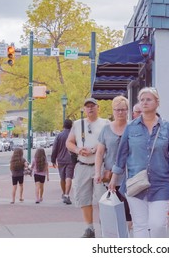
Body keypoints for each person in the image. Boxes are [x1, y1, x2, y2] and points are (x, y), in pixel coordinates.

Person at [109, 87, 169, 238]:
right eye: (142, 100)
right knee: (140, 225)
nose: (144, 102)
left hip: (160, 183)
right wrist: (114, 179)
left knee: (158, 224)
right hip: (135, 183)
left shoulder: (167, 127)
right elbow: (121, 155)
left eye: (148, 99)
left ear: (157, 102)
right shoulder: (131, 127)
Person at [66, 97, 110, 238]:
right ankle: (89, 228)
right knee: (83, 197)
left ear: (98, 108)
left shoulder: (105, 123)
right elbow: (69, 142)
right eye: (87, 106)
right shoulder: (78, 124)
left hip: (100, 166)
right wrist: (79, 150)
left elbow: (109, 141)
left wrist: (95, 148)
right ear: (84, 109)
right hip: (82, 165)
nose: (90, 108)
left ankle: (105, 226)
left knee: (103, 198)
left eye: (93, 106)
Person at [94, 96, 132, 225]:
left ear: (127, 110)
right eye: (117, 109)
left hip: (130, 175)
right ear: (113, 111)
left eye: (123, 109)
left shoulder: (133, 127)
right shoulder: (106, 129)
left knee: (129, 212)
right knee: (111, 210)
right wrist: (97, 172)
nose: (120, 112)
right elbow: (100, 153)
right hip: (110, 175)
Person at [51, 119, 75, 205]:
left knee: (62, 177)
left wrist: (53, 159)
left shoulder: (59, 136)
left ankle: (64, 192)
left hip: (60, 159)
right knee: (69, 177)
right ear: (71, 126)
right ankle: (67, 194)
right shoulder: (73, 135)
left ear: (63, 126)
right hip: (70, 159)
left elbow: (54, 148)